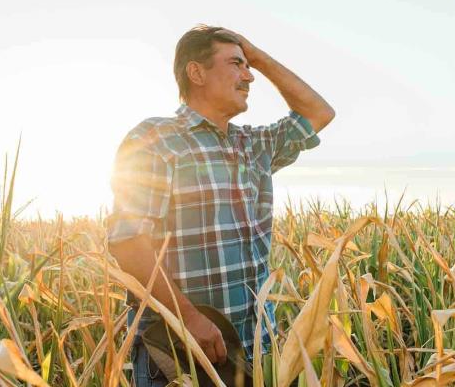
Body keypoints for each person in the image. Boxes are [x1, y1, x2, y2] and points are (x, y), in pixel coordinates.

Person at [106, 25, 335, 386]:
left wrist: (257, 55)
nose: (248, 77)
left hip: (255, 352)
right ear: (196, 73)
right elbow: (129, 242)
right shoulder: (155, 139)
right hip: (180, 357)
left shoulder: (253, 144)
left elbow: (318, 112)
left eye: (248, 66)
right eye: (235, 64)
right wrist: (189, 319)